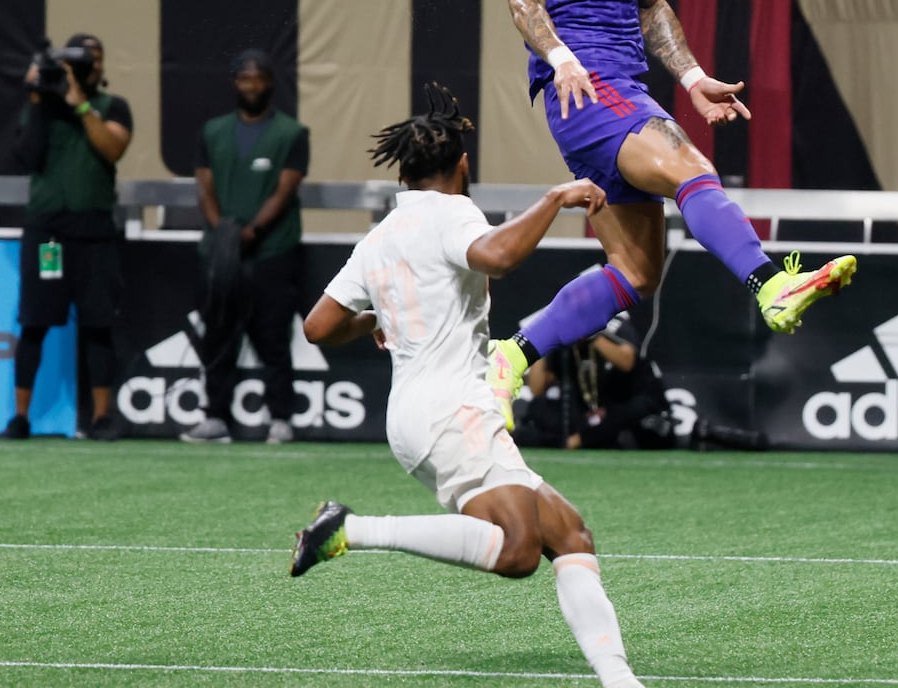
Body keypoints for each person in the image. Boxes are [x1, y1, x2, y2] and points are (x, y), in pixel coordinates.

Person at [486, 0, 856, 428]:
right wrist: (561, 58)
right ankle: (769, 283)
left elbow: (651, 7)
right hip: (583, 93)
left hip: (621, 89)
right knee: (692, 167)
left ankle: (510, 356)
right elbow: (524, 4)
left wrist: (690, 77)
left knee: (637, 274)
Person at [290, 84, 645, 688]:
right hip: (453, 411)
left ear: (402, 173)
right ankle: (348, 529)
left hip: (415, 416)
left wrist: (376, 318)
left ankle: (619, 680)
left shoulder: (378, 237)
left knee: (570, 534)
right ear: (461, 165)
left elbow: (319, 327)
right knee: (517, 552)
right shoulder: (454, 212)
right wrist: (555, 198)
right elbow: (497, 256)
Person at [0, 34, 133, 441]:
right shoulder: (42, 106)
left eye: (94, 61)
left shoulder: (112, 107)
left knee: (97, 325)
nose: (90, 67)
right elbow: (27, 157)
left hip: (94, 231)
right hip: (48, 232)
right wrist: (39, 97)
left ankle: (102, 417)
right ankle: (21, 418)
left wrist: (81, 106)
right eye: (81, 61)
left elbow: (112, 149)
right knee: (34, 323)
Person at [180, 50, 309, 445]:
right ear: (235, 83)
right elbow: (204, 184)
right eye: (244, 79)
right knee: (218, 334)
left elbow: (285, 188)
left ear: (270, 83)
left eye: (259, 79)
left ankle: (281, 418)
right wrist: (223, 232)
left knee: (273, 337)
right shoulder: (213, 131)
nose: (251, 86)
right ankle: (215, 416)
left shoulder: (292, 133)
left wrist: (252, 231)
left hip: (271, 252)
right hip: (221, 254)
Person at [515, 310, 674, 451]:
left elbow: (627, 362)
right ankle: (581, 439)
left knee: (634, 410)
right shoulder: (565, 344)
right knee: (538, 409)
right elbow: (537, 389)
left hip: (622, 405)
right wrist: (543, 342)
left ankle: (581, 440)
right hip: (590, 412)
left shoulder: (613, 324)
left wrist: (590, 334)